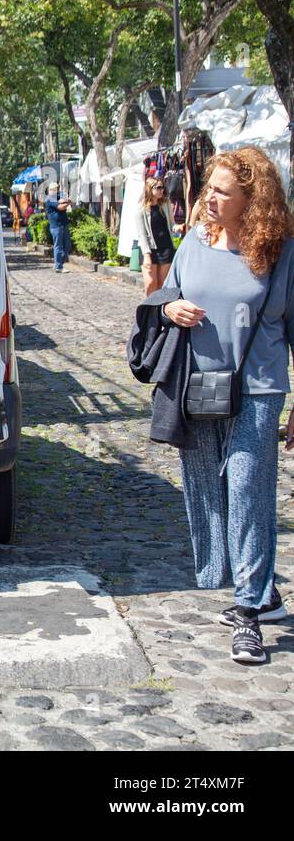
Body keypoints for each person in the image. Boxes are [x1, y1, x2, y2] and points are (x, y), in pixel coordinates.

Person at [159, 147, 294, 665]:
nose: (208, 198)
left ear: (250, 200)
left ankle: (247, 613)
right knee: (208, 490)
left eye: (221, 191)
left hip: (258, 388)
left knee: (247, 487)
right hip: (197, 386)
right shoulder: (195, 240)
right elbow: (165, 295)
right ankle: (262, 590)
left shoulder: (278, 253)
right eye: (208, 188)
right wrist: (171, 307)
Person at [137, 175, 176, 296]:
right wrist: (147, 255)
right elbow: (141, 234)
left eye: (162, 187)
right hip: (149, 250)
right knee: (150, 283)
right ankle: (148, 309)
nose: (161, 190)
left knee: (162, 283)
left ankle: (157, 311)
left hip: (166, 247)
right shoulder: (141, 209)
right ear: (150, 189)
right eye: (158, 187)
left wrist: (178, 227)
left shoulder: (165, 204)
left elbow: (171, 224)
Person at [44, 181, 72, 273]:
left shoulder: (57, 197)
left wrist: (66, 200)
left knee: (67, 246)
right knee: (58, 247)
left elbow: (63, 200)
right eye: (54, 189)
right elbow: (60, 207)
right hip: (56, 226)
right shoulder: (49, 199)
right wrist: (67, 203)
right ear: (50, 190)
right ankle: (59, 267)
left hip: (64, 224)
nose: (56, 191)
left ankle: (58, 263)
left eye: (56, 189)